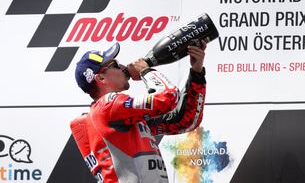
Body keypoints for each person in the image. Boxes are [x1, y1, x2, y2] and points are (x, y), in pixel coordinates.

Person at [70, 41, 207, 183]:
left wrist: (196, 72)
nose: (123, 67)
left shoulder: (118, 116)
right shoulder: (107, 106)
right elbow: (168, 97)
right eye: (115, 65)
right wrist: (145, 70)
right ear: (101, 78)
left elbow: (185, 120)